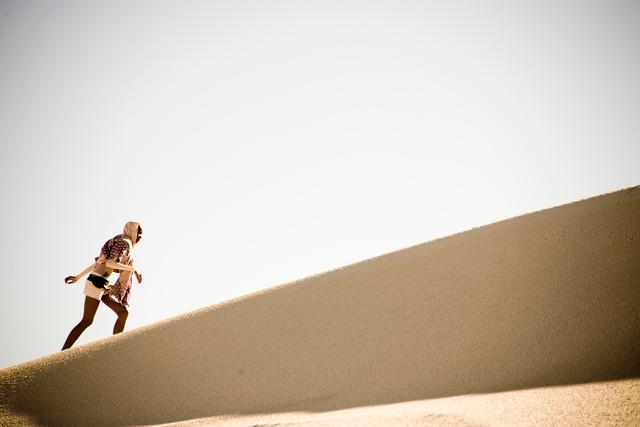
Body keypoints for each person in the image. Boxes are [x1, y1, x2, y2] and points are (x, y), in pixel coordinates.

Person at [61, 221, 143, 350]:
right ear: (132, 231)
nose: (139, 237)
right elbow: (110, 263)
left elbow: (99, 263)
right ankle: (63, 352)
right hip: (96, 282)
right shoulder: (124, 243)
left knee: (123, 313)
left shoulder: (117, 240)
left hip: (102, 283)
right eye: (138, 233)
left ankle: (117, 345)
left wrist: (77, 277)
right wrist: (133, 269)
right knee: (87, 321)